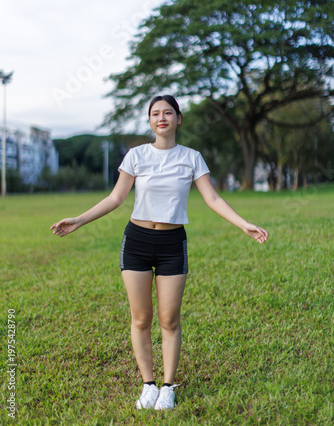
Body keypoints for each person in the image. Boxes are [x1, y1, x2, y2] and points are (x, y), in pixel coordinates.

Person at [50, 95, 268, 411]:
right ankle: (148, 384)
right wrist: (79, 220)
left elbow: (213, 199)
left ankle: (168, 386)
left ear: (179, 119)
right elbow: (115, 199)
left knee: (169, 319)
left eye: (168, 112)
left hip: (172, 244)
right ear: (150, 121)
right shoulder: (136, 156)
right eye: (155, 113)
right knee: (141, 318)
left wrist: (243, 224)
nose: (161, 117)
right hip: (136, 241)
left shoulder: (192, 158)